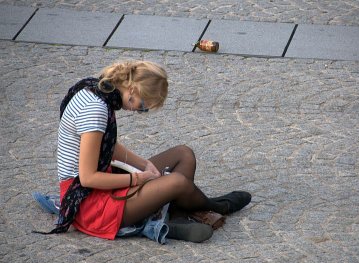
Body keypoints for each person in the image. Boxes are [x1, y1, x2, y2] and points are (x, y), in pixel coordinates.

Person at [34, 61, 251, 243]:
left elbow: (106, 146)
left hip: (102, 181)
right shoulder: (96, 110)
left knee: (184, 154)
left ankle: (175, 216)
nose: (140, 111)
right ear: (134, 90)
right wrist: (137, 178)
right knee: (177, 182)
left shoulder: (97, 89)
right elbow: (88, 178)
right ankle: (217, 206)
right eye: (144, 106)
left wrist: (144, 164)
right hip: (89, 204)